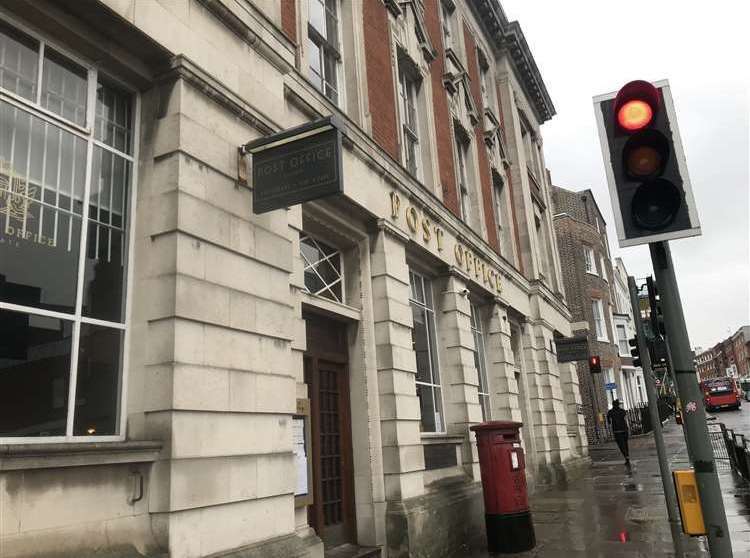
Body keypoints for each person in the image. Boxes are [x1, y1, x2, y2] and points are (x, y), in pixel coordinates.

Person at [607, 399, 630, 465]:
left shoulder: (610, 412)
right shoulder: (623, 411)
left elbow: (608, 420)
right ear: (618, 404)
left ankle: (626, 456)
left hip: (617, 431)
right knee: (625, 444)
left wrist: (610, 423)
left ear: (613, 404)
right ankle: (627, 456)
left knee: (621, 445)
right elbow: (625, 418)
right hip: (624, 430)